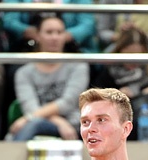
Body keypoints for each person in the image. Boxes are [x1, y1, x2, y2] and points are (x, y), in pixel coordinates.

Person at [7, 14, 90, 142]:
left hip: (74, 125)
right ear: (38, 36)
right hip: (37, 123)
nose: (54, 37)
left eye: (59, 32)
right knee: (31, 126)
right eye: (49, 32)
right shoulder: (24, 72)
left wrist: (27, 118)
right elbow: (31, 108)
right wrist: (58, 121)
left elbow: (68, 103)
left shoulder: (78, 66)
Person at [92, 25, 148, 141]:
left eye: (138, 56)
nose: (133, 61)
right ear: (120, 52)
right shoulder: (108, 74)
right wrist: (116, 97)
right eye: (129, 56)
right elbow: (94, 106)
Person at [1, 0, 98, 53]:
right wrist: (31, 32)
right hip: (26, 48)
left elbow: (88, 24)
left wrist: (63, 36)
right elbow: (9, 21)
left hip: (73, 49)